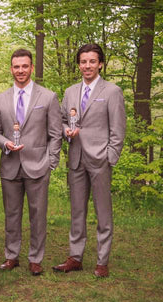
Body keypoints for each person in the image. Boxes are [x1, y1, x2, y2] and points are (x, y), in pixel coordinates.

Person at [53, 44, 126, 278]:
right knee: (77, 211)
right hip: (76, 158)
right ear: (79, 64)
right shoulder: (70, 91)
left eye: (92, 61)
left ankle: (102, 261)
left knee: (103, 213)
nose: (87, 66)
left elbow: (118, 129)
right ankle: (75, 257)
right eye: (83, 62)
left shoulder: (112, 91)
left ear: (100, 64)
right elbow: (62, 120)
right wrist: (66, 131)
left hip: (100, 160)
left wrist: (110, 157)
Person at [0, 48, 62, 276]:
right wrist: (5, 144)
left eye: (25, 66)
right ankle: (12, 255)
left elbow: (55, 133)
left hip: (38, 165)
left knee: (38, 214)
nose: (20, 70)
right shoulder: (0, 99)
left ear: (32, 68)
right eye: (16, 66)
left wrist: (51, 161)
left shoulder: (48, 97)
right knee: (11, 214)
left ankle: (35, 257)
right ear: (11, 69)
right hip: (11, 165)